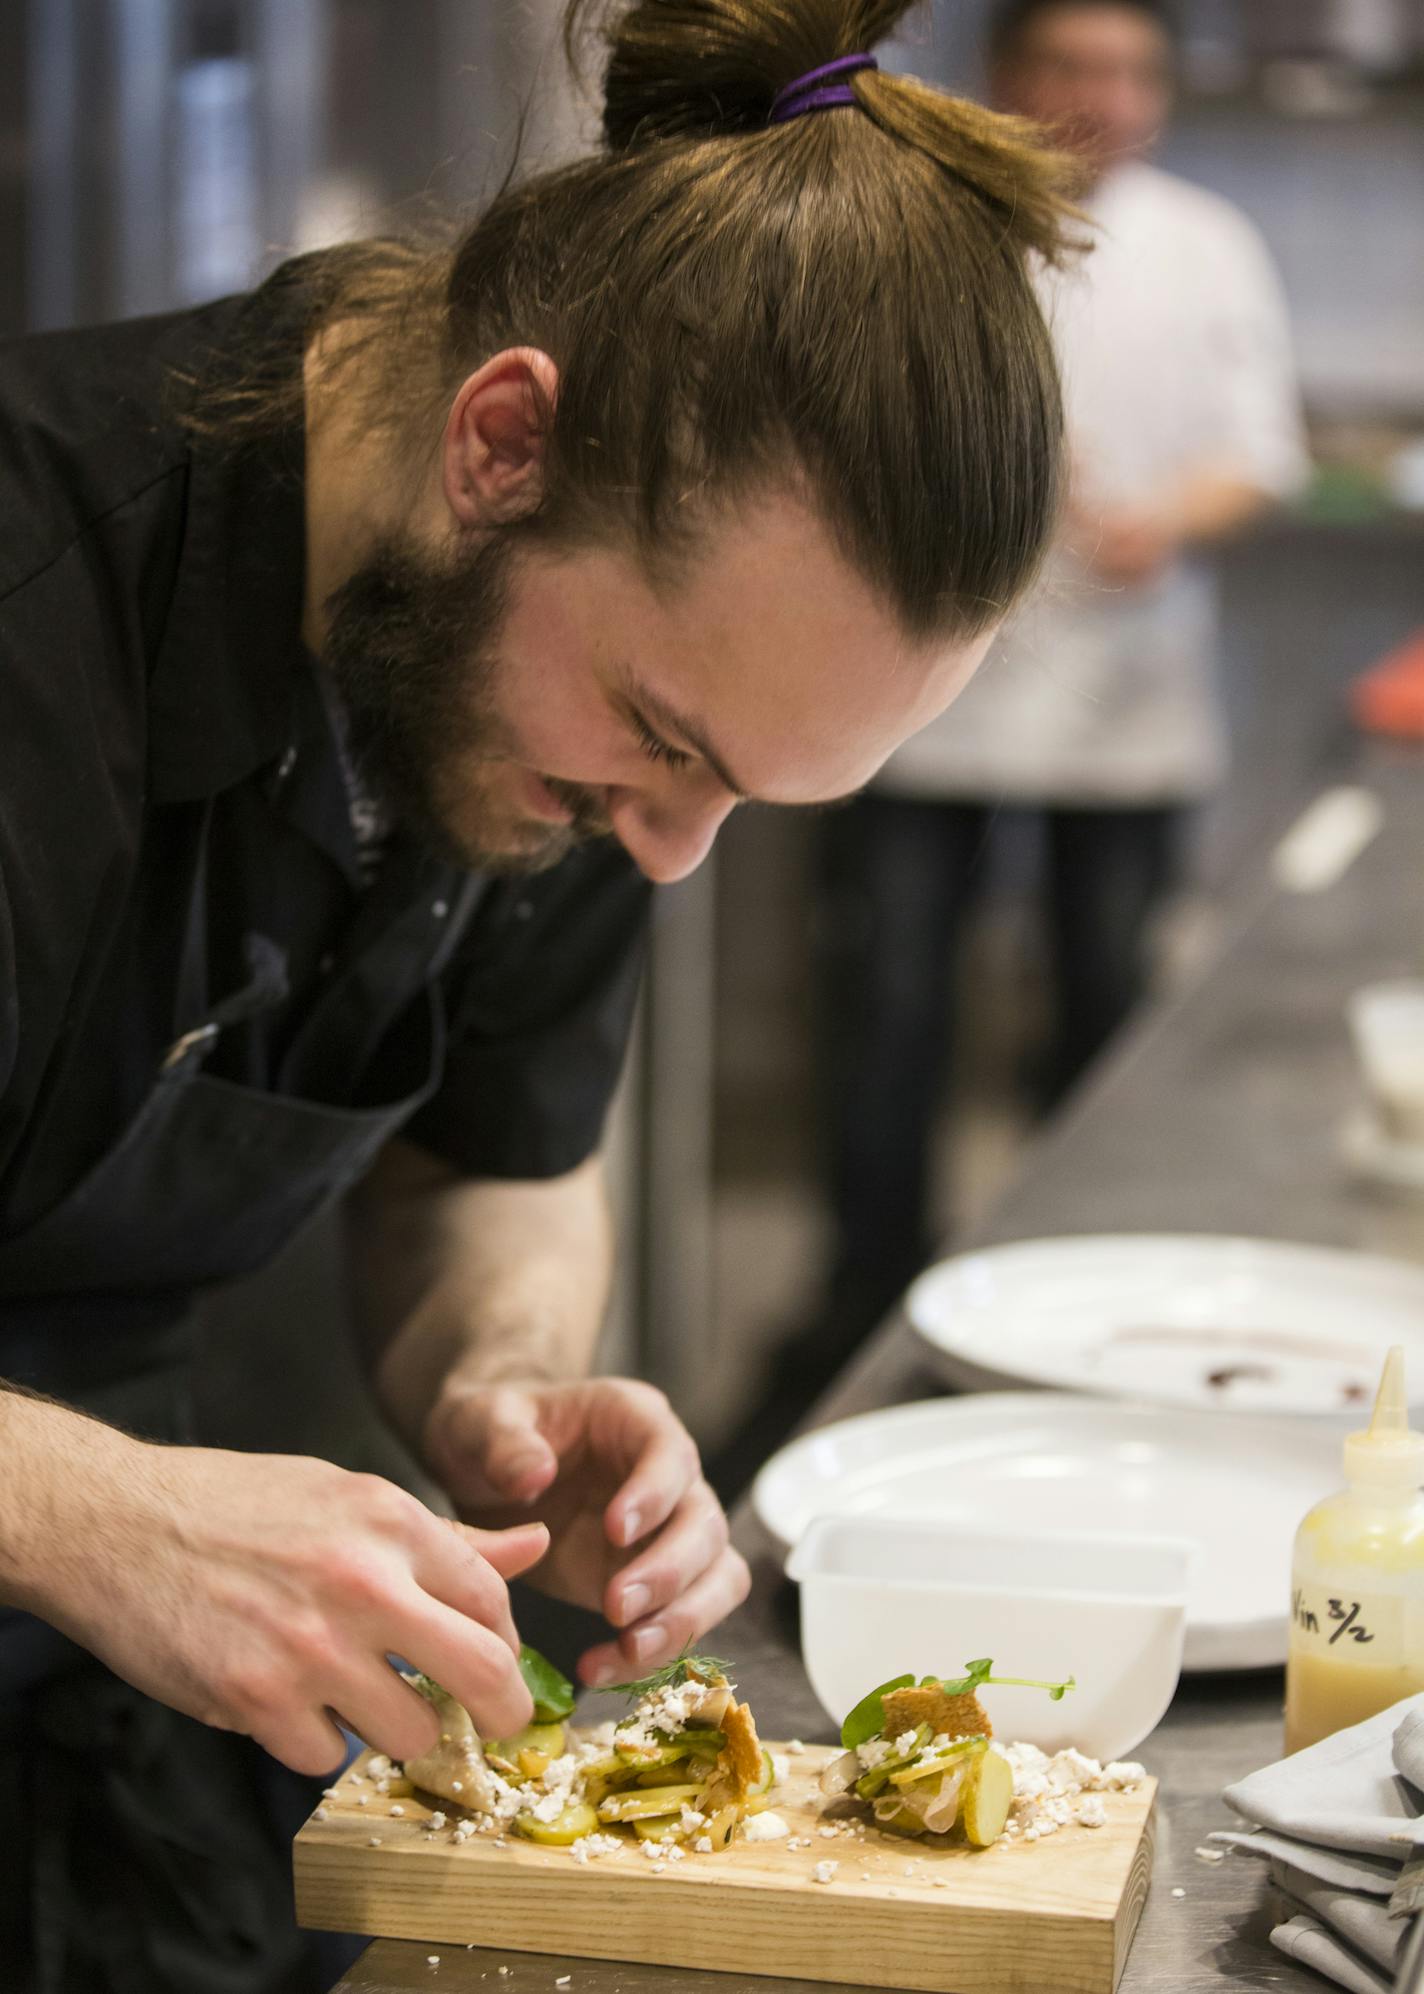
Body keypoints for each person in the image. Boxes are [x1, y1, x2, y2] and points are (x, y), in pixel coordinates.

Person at [0, 2, 1083, 1987]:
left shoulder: (550, 703)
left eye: (736, 790)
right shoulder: (33, 620)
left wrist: (497, 1375)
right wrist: (107, 1517)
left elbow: (496, 1156)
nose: (666, 850)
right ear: (501, 442)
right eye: (661, 741)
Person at [809, 0, 1308, 1364]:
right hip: (916, 705)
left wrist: (1166, 519)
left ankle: (1075, 1307)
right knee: (893, 1012)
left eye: (1135, 70)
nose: (1109, 95)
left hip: (1129, 710)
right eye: (1076, 65)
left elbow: (1259, 451)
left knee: (1100, 1009)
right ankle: (865, 1301)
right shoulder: (927, 227)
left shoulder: (1210, 245)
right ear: (1007, 75)